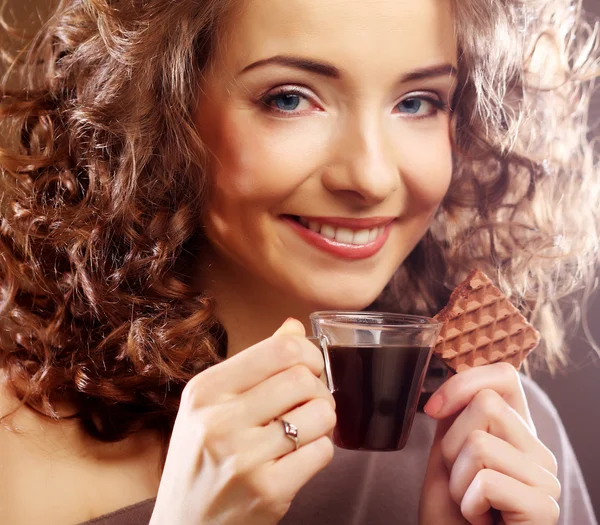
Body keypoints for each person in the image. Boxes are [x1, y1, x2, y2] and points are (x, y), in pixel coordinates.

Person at [0, 0, 598, 523]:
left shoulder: (503, 438)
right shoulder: (16, 445)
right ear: (161, 114)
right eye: (290, 98)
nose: (369, 176)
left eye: (418, 102)